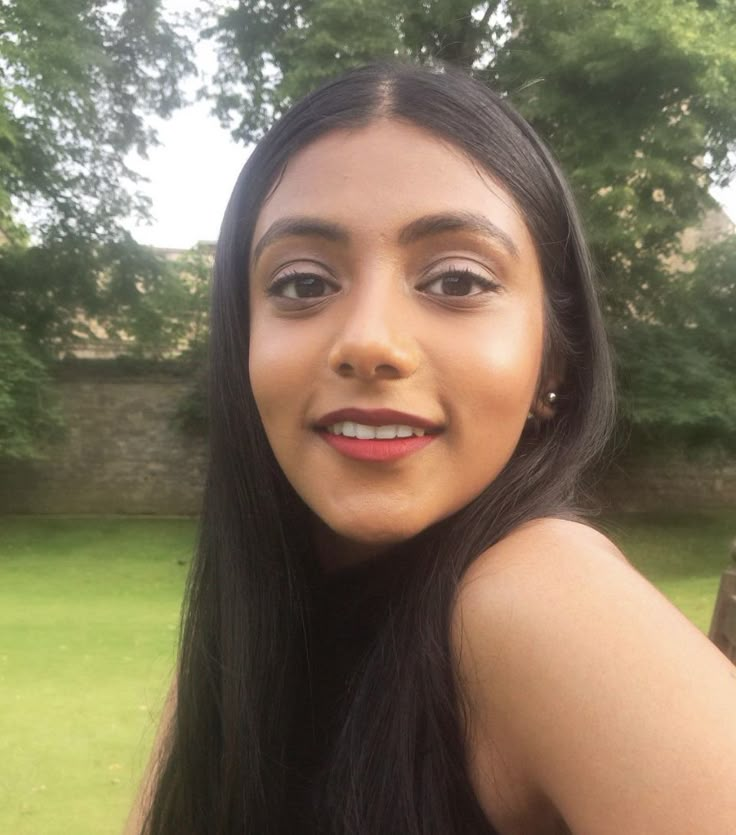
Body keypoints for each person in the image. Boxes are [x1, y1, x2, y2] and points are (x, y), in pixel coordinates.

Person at [125, 62, 736, 835]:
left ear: (553, 361)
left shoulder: (544, 598)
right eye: (305, 284)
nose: (370, 342)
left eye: (456, 279)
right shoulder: (247, 633)